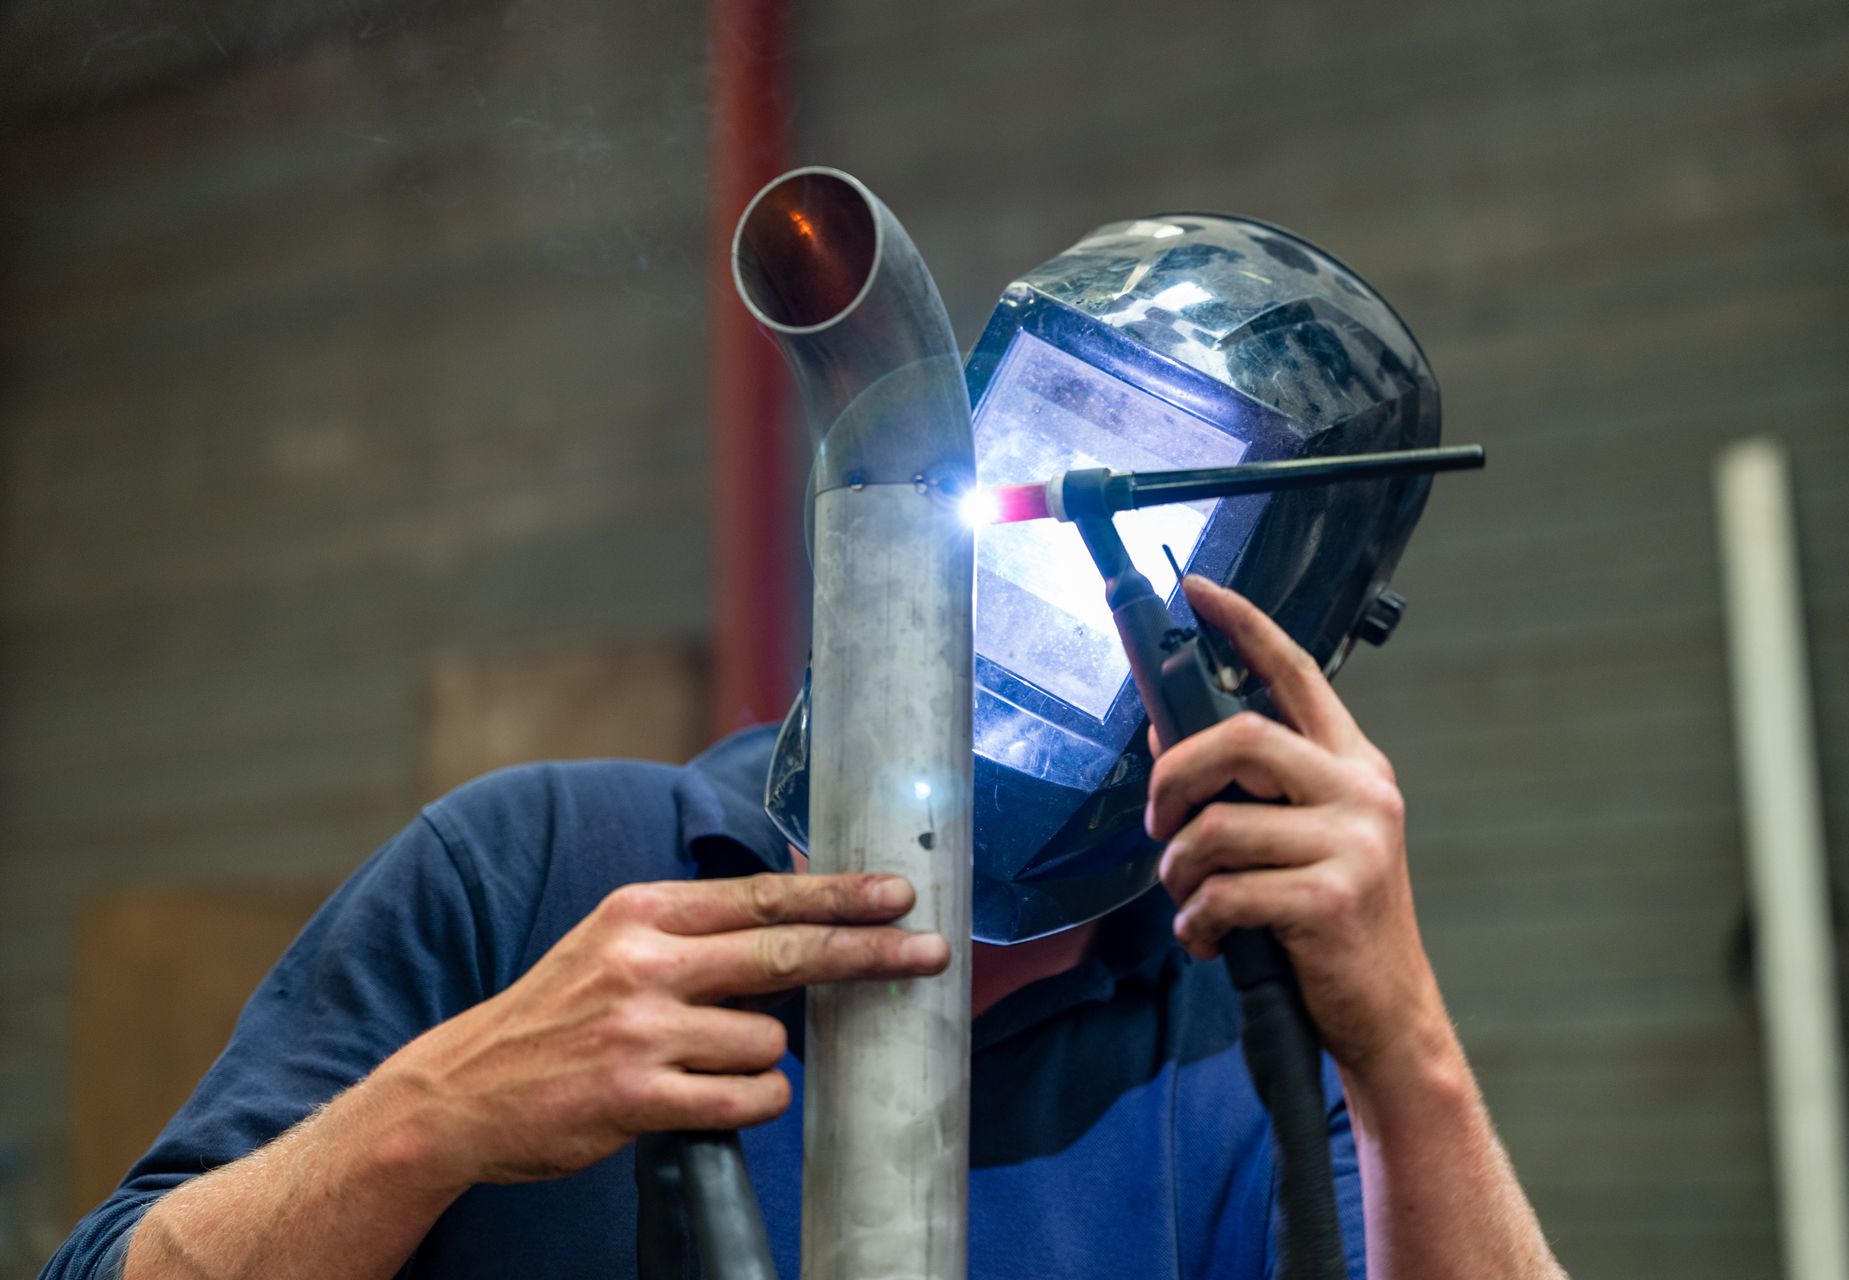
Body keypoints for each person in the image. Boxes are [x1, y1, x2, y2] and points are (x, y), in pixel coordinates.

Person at [43, 217, 1568, 1280]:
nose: (1036, 588)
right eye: (1029, 481)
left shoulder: (1231, 1076)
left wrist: (1404, 1044)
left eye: (1140, 540)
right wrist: (431, 1118)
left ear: (1276, 647)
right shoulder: (535, 876)